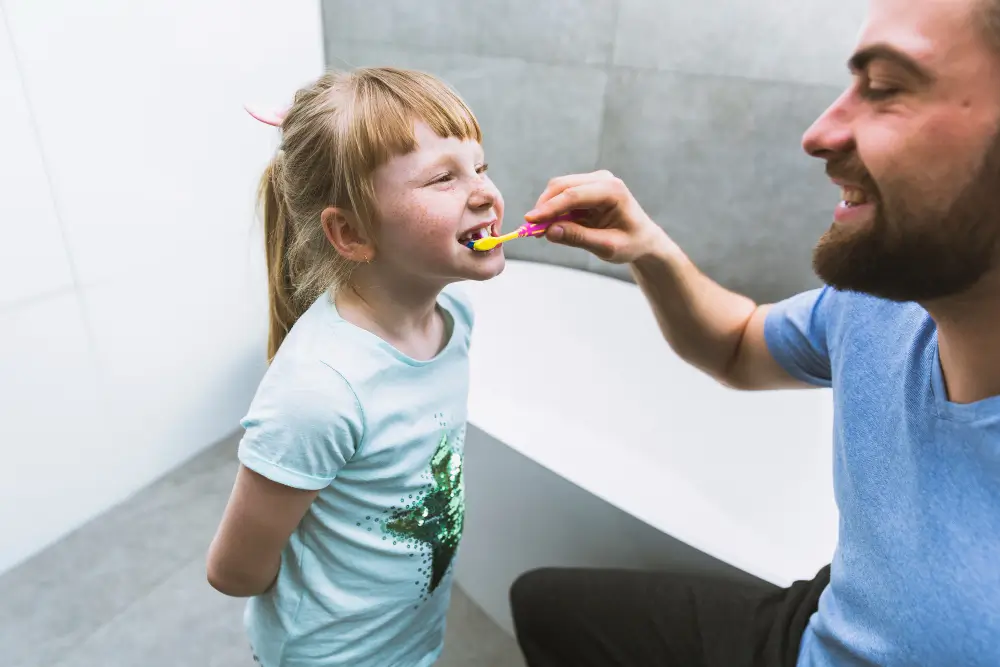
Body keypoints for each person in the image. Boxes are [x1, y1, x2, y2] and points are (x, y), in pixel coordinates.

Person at [508, 0, 1000, 665]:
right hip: (814, 627)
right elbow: (738, 342)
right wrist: (647, 247)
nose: (818, 132)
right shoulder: (878, 305)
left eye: (884, 89)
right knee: (546, 607)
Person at [205, 67, 506, 667]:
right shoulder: (320, 390)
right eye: (443, 177)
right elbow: (235, 570)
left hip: (410, 638)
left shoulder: (454, 322)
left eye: (481, 166)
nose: (484, 192)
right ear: (350, 232)